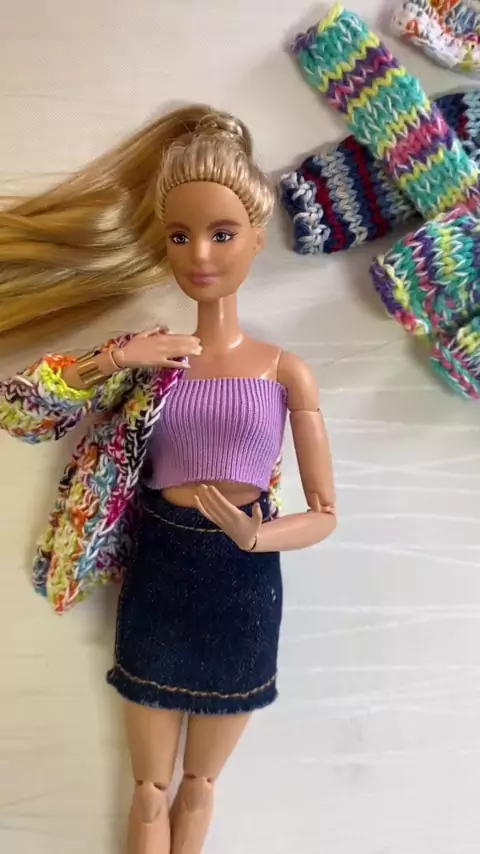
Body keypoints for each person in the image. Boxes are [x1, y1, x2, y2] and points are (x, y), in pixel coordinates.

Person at [0, 104, 337, 854]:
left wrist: (256, 535)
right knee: (149, 790)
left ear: (257, 238)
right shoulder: (151, 358)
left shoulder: (286, 371)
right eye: (180, 236)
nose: (200, 255)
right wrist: (114, 359)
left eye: (222, 233)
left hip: (244, 583)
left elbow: (325, 511)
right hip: (159, 571)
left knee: (200, 784)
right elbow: (17, 412)